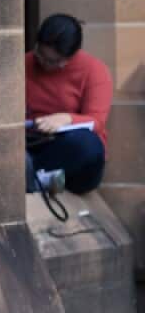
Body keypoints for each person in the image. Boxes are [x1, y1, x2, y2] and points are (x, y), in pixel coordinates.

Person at [25, 13, 111, 196]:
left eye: (53, 61)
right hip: (31, 142)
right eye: (40, 54)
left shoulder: (94, 70)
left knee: (87, 145)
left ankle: (34, 178)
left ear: (70, 57)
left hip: (66, 148)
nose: (44, 63)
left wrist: (66, 119)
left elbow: (97, 122)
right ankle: (36, 177)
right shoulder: (25, 63)